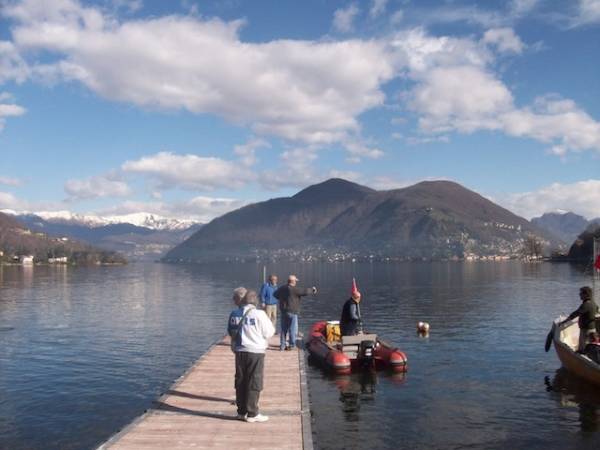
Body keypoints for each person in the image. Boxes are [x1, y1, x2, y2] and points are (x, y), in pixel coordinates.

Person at [227, 290, 275, 422]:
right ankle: (252, 413)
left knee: (240, 380)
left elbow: (230, 331)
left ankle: (241, 412)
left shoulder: (234, 314)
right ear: (256, 301)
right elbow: (270, 332)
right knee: (254, 381)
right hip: (256, 351)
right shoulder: (260, 314)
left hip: (240, 351)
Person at [274, 274, 317, 351]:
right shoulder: (295, 289)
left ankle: (282, 346)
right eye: (295, 281)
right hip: (292, 312)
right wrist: (313, 290)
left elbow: (275, 294)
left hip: (283, 312)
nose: (296, 282)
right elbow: (305, 291)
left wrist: (281, 298)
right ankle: (292, 345)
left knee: (283, 330)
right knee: (292, 329)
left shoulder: (282, 288)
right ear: (293, 282)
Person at [560, 286, 598, 351]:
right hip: (592, 329)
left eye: (581, 294)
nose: (579, 295)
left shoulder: (586, 305)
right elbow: (596, 313)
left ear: (586, 294)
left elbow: (575, 314)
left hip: (586, 330)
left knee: (583, 349)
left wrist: (564, 322)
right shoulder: (593, 303)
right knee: (588, 347)